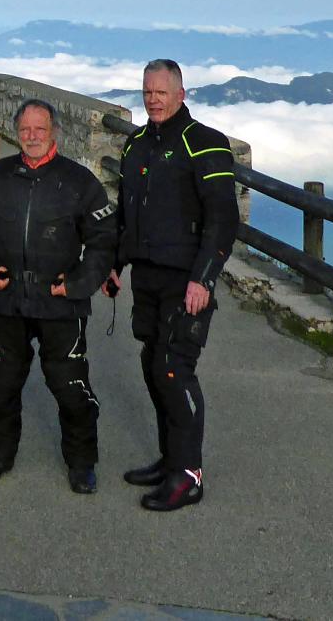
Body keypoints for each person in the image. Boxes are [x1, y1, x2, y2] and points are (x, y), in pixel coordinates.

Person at [104, 59, 239, 511]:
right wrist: (114, 265)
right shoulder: (137, 143)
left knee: (172, 368)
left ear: (181, 94)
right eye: (147, 92)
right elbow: (126, 211)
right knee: (152, 364)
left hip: (186, 280)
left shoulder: (205, 143)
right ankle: (170, 460)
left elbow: (223, 219)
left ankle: (188, 475)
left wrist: (204, 279)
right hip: (147, 275)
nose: (153, 100)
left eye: (161, 92)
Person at [0, 100, 116, 493]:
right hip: (8, 298)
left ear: (54, 133)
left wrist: (78, 284)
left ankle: (81, 463)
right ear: (17, 132)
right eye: (25, 130)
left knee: (71, 388)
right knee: (1, 386)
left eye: (40, 129)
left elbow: (103, 241)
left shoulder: (79, 182)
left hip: (59, 301)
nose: (32, 137)